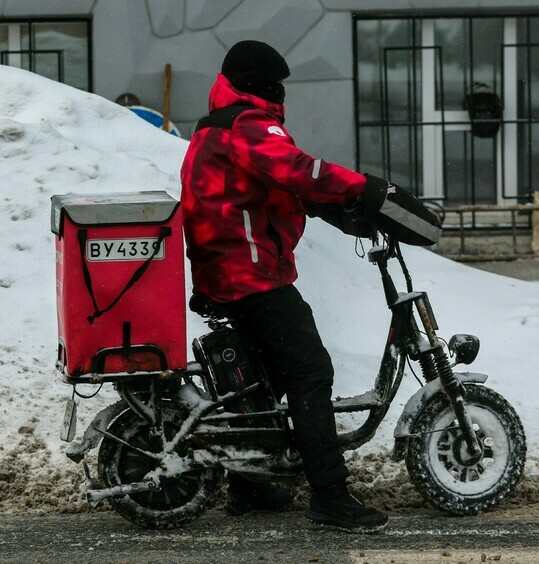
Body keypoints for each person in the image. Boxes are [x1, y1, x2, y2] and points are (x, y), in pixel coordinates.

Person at [180, 40, 440, 532]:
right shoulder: (246, 125)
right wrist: (364, 189)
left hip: (227, 268)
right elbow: (296, 168)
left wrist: (328, 209)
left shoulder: (218, 125)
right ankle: (330, 496)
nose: (281, 91)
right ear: (261, 84)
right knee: (309, 374)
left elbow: (269, 186)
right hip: (247, 274)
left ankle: (251, 484)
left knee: (261, 377)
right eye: (275, 83)